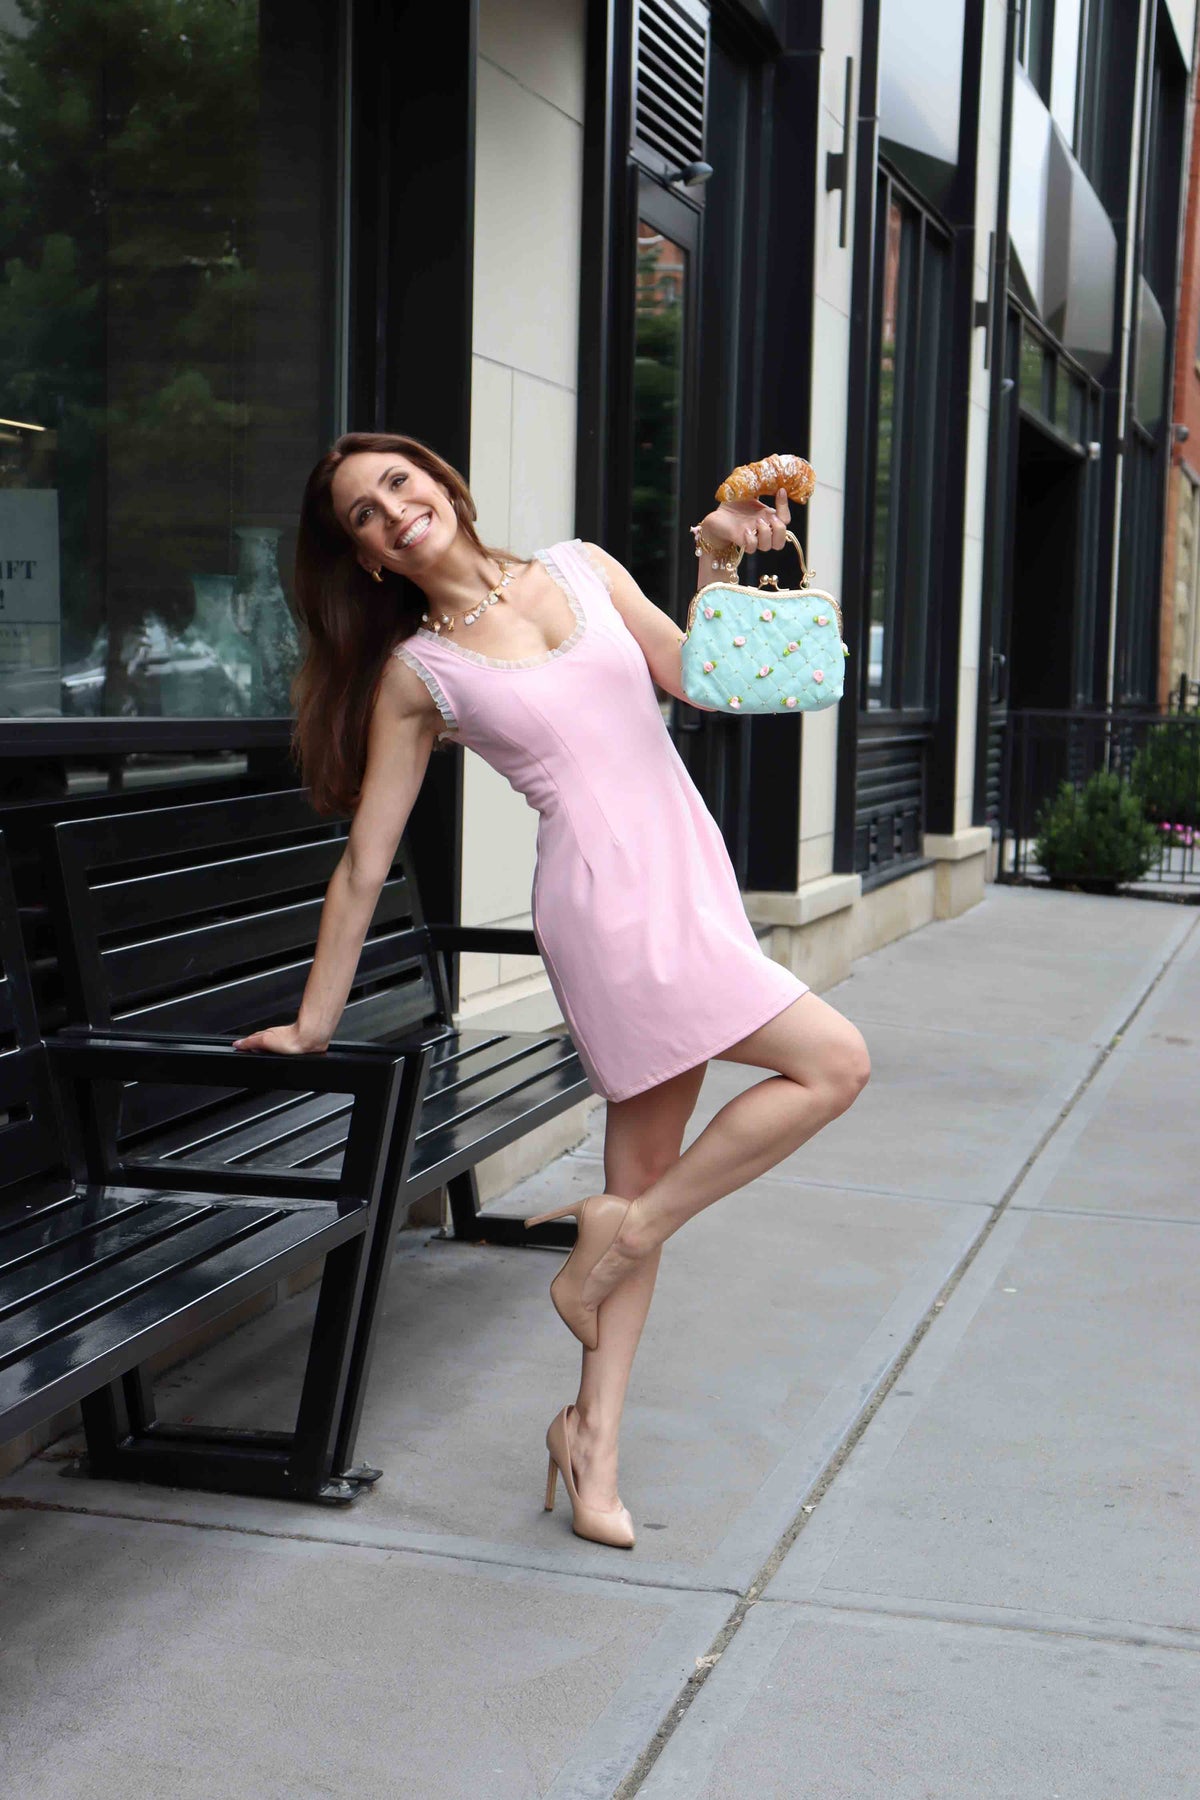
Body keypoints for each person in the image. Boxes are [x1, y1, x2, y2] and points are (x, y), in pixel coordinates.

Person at [233, 431, 870, 1550]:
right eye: (362, 518)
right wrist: (312, 1023)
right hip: (602, 906)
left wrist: (718, 560)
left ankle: (591, 1432)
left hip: (692, 872)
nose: (390, 512)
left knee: (649, 1179)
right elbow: (364, 864)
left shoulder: (582, 566)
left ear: (441, 484)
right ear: (369, 560)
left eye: (398, 483)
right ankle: (618, 1252)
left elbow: (699, 682)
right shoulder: (418, 672)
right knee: (836, 1061)